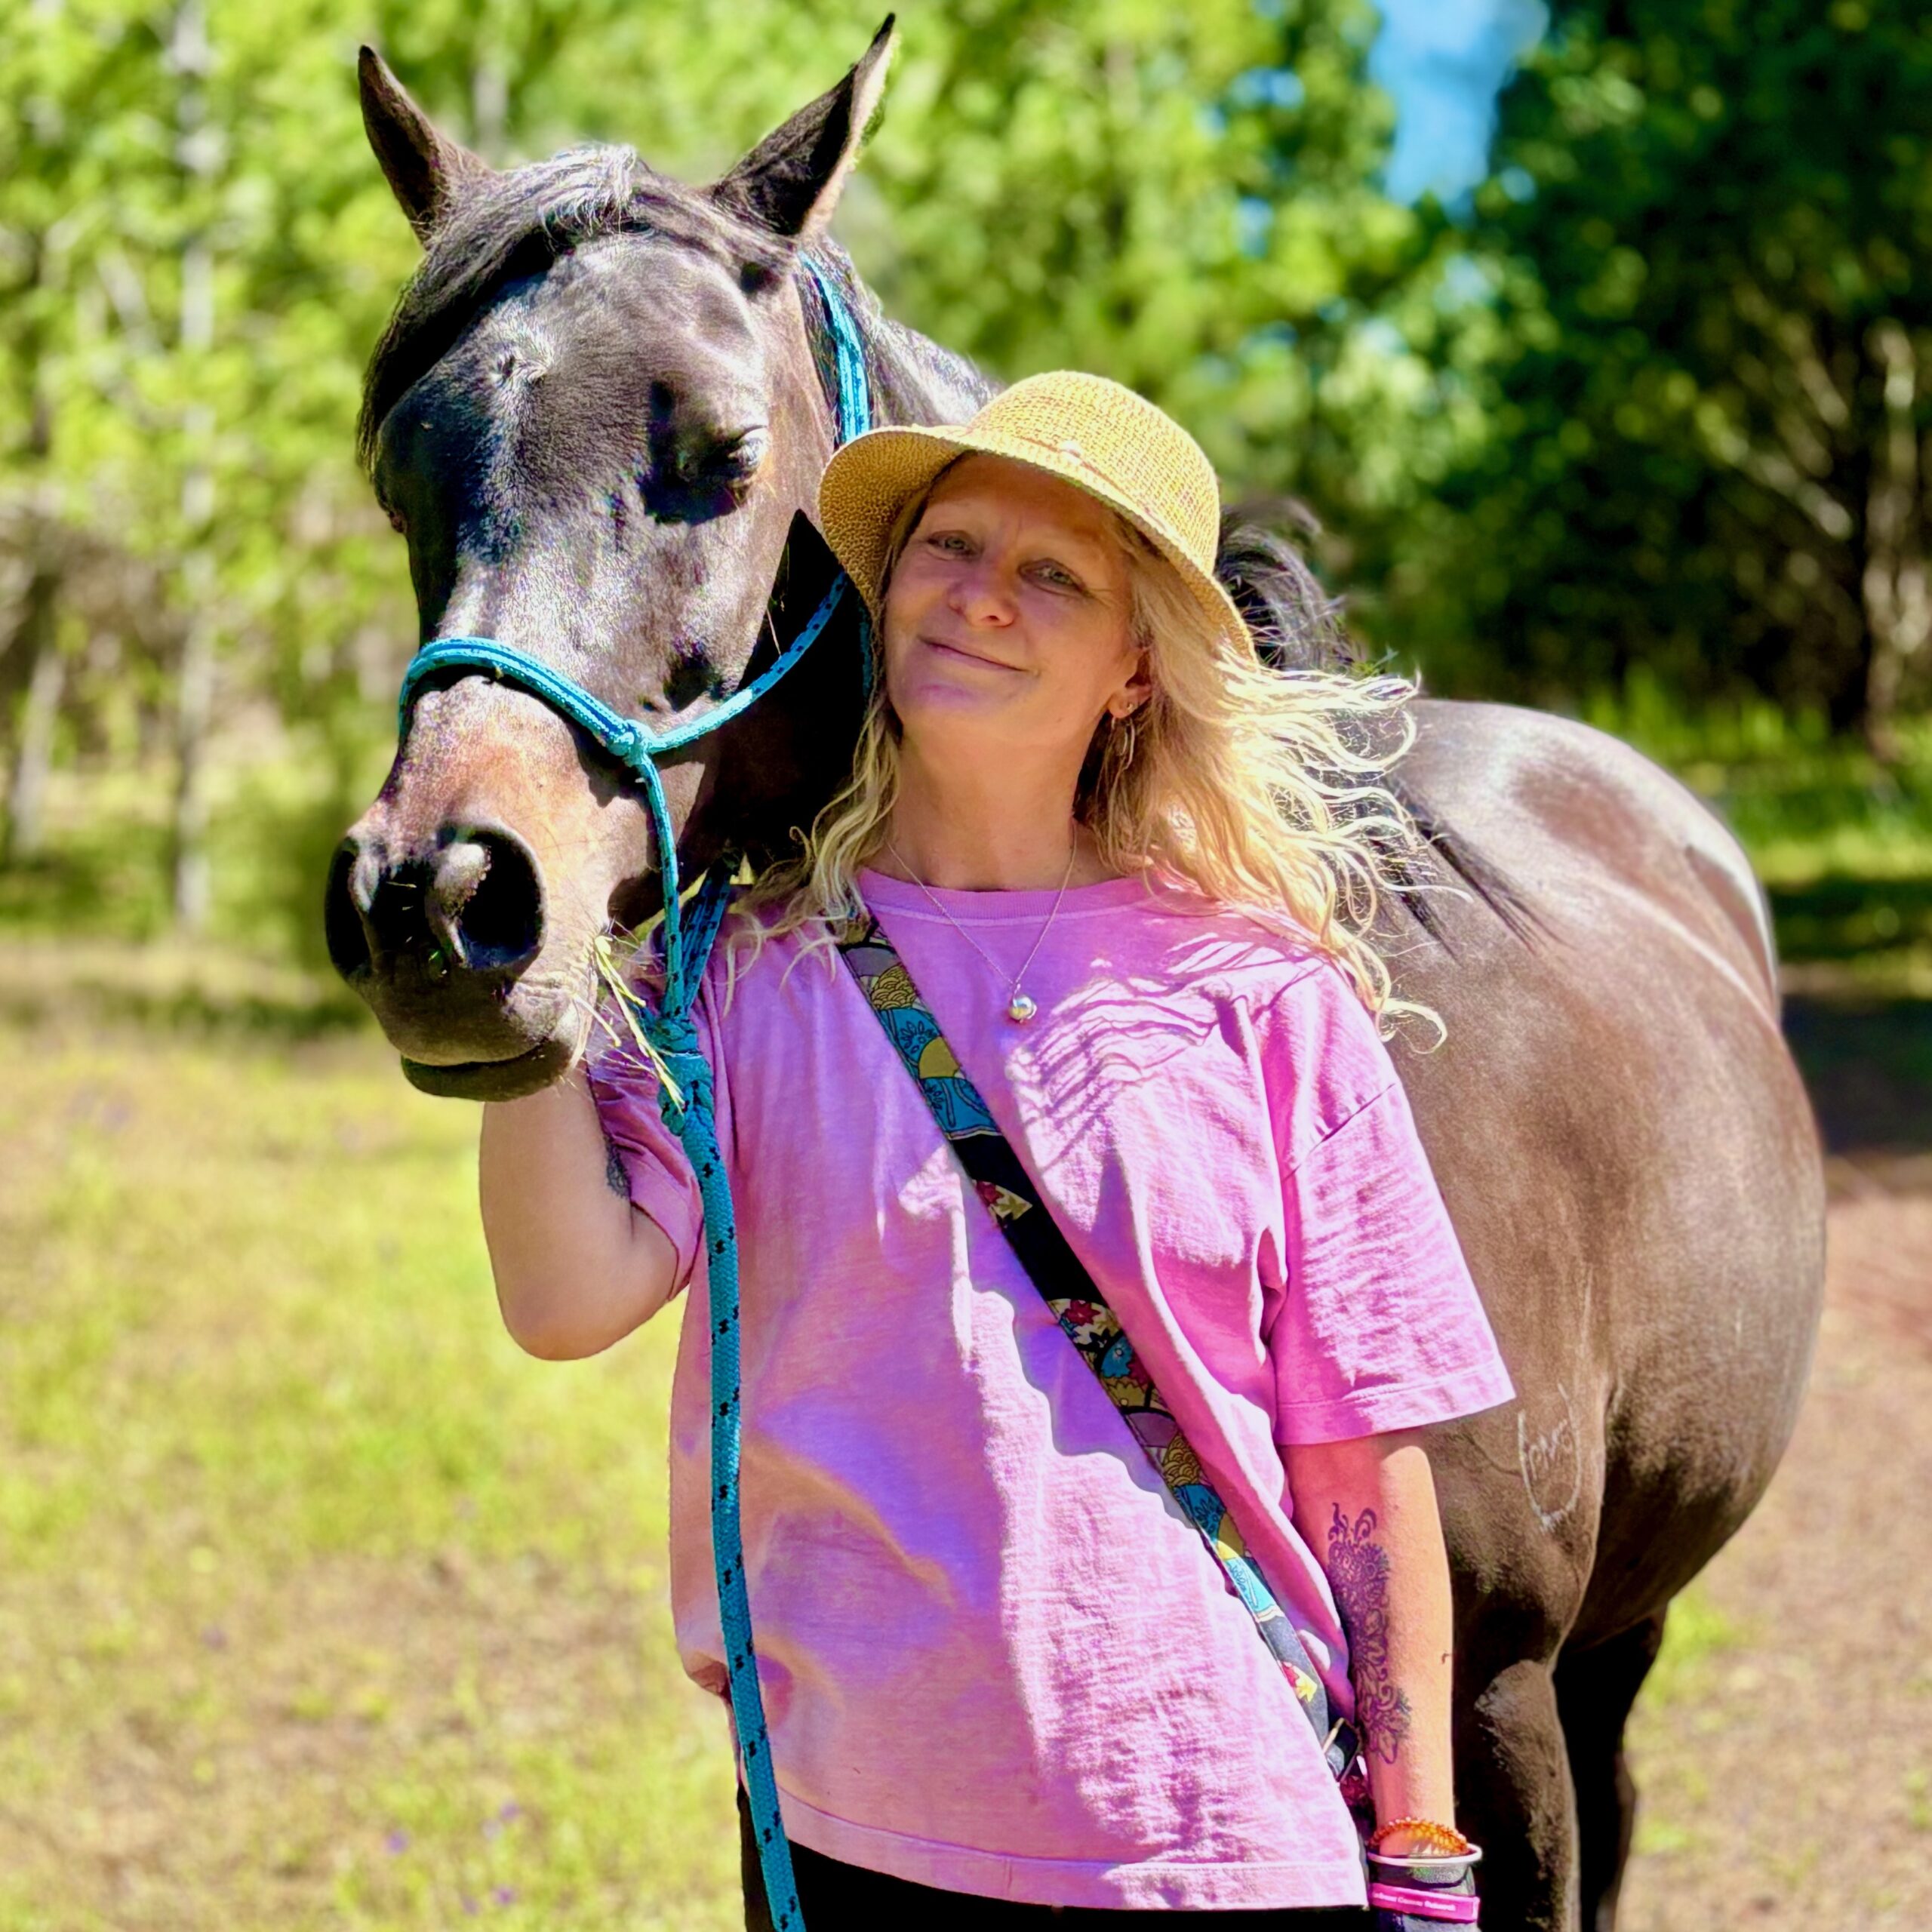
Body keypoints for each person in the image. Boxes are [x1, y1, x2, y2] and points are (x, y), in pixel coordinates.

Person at [476, 372, 1515, 1927]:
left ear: (1131, 670)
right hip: (849, 1828)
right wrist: (520, 974)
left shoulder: (1261, 998)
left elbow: (1361, 1462)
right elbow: (567, 1294)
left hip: (1213, 1833)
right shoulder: (744, 975)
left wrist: (1422, 1840)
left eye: (1054, 575)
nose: (980, 597)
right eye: (948, 544)